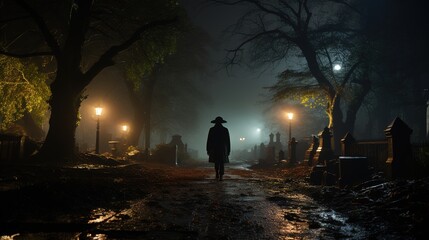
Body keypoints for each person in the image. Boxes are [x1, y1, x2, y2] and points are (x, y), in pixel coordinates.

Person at [206, 116, 231, 181]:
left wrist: (208, 149)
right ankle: (221, 175)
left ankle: (217, 173)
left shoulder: (212, 129)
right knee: (221, 162)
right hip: (222, 147)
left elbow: (209, 140)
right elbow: (228, 141)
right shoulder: (225, 130)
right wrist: (228, 150)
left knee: (216, 161)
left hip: (214, 147)